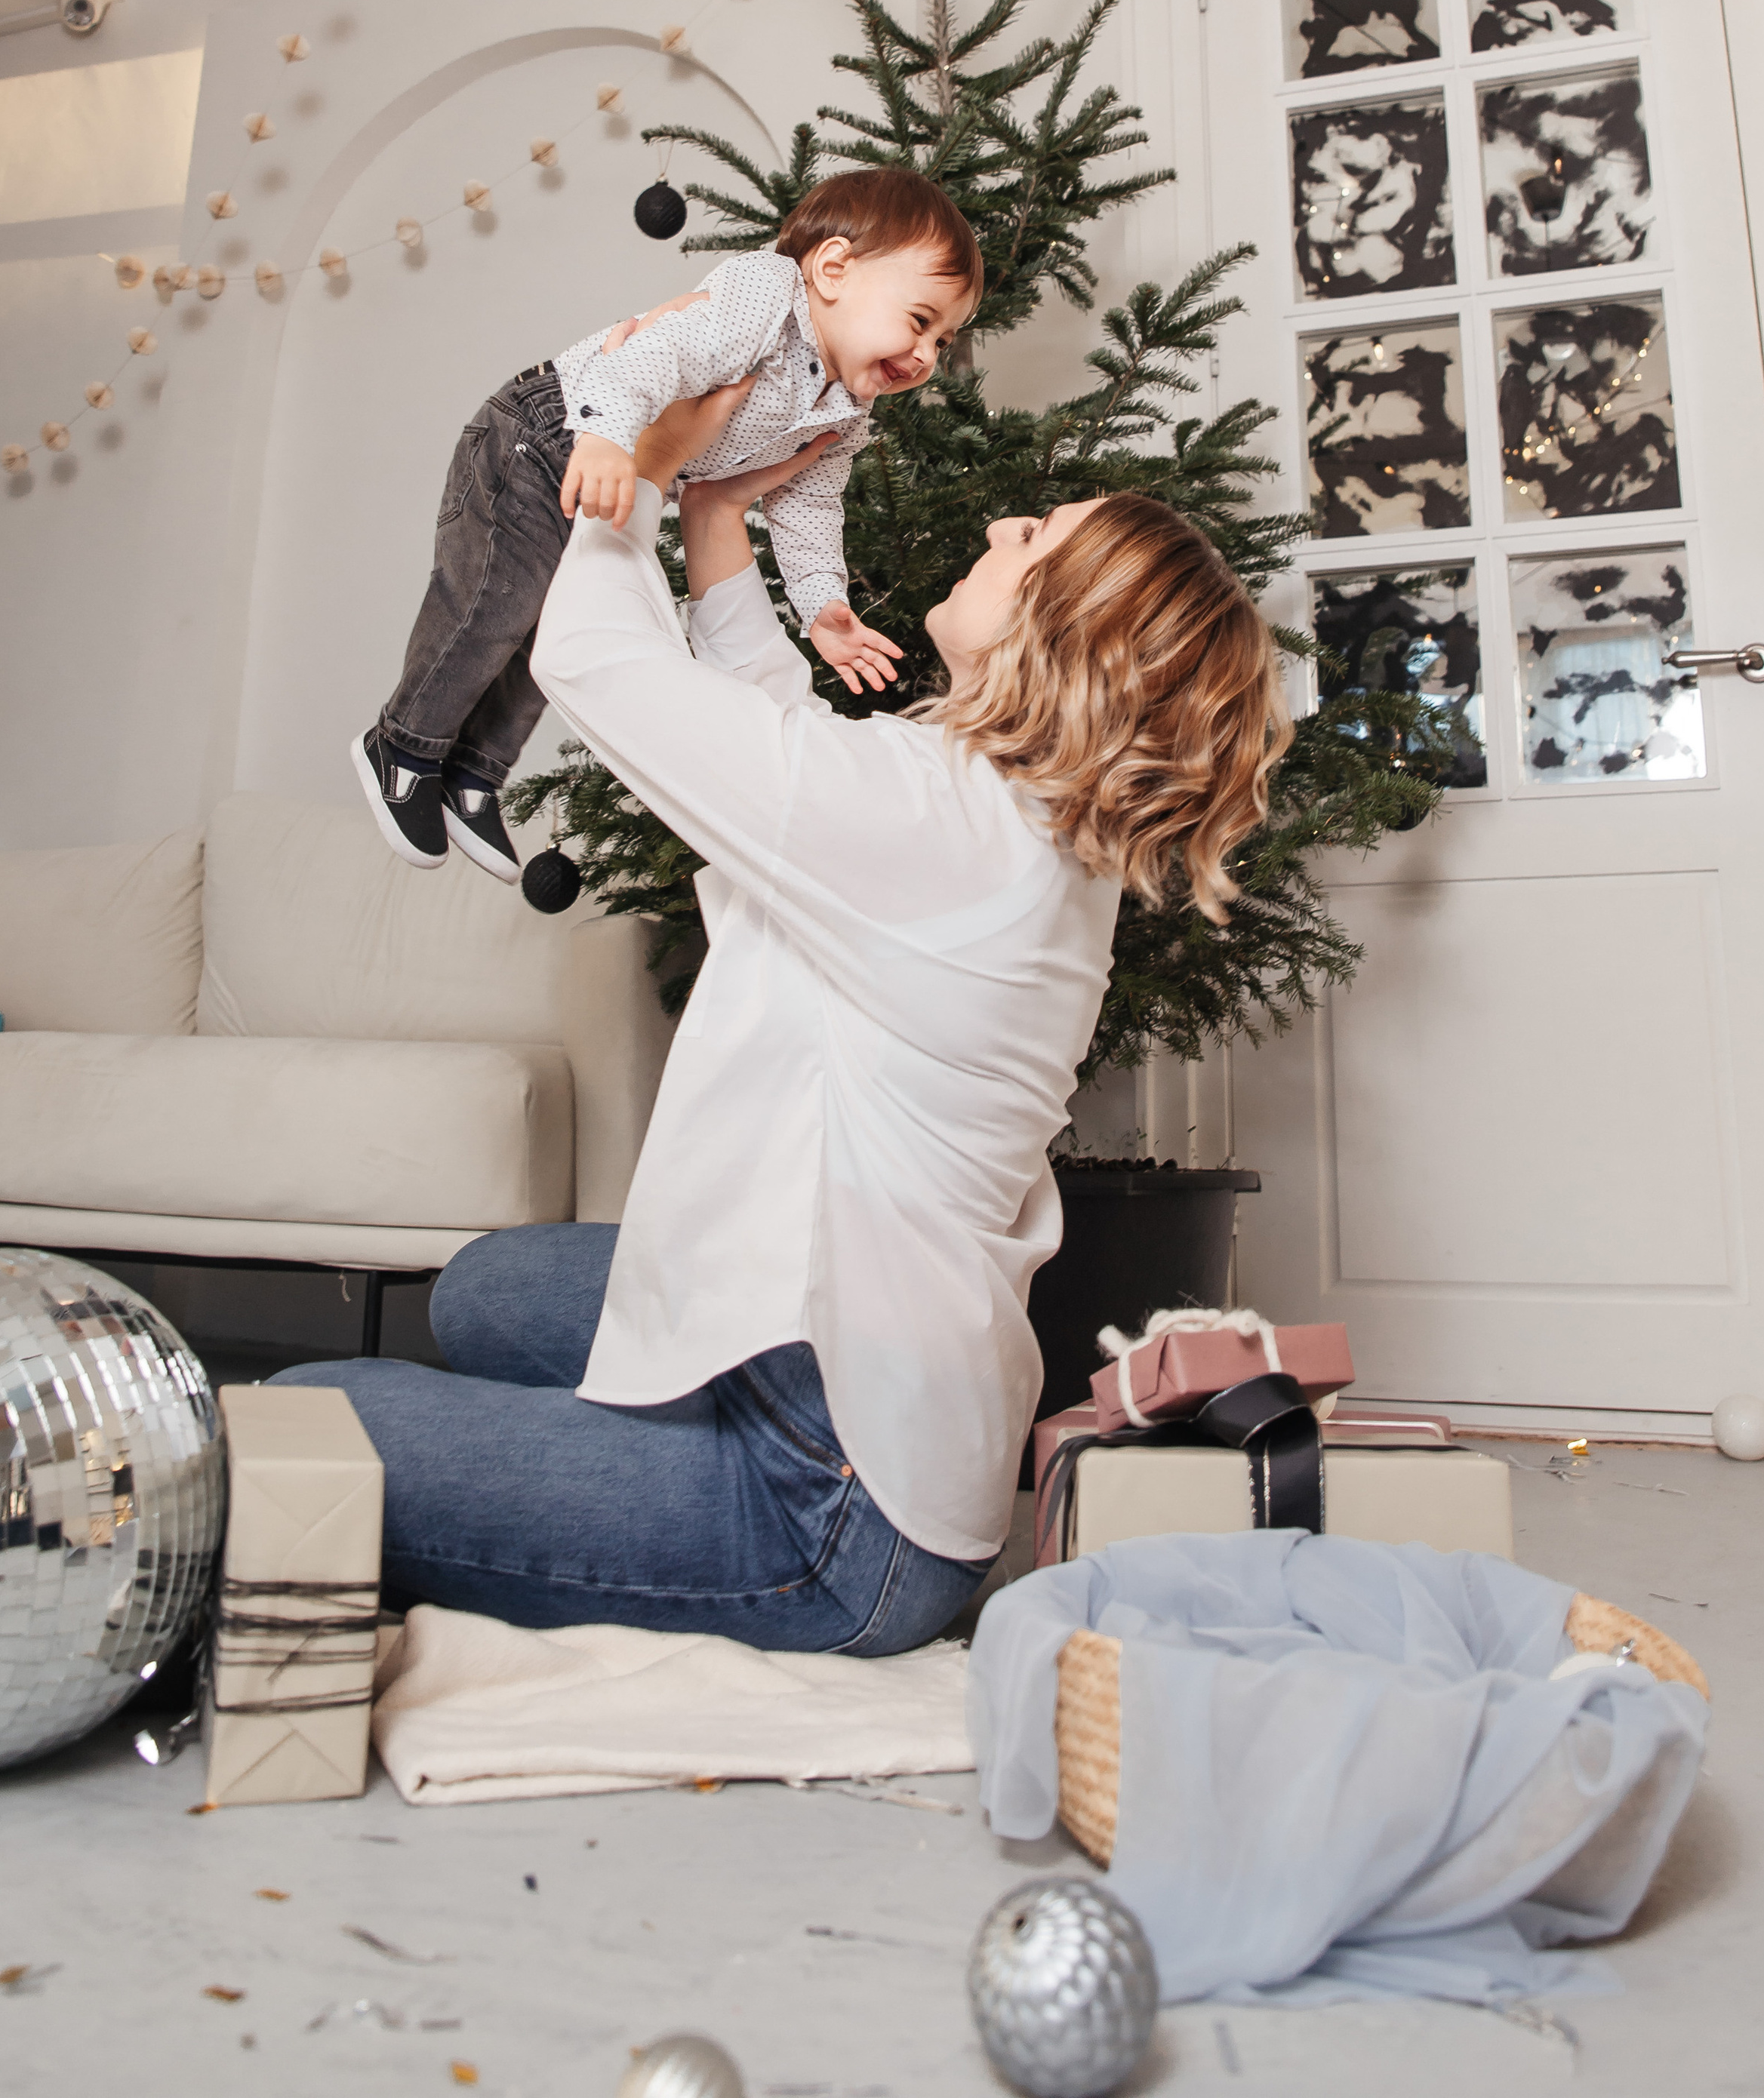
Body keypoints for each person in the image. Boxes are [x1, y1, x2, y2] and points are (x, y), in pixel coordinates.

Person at [276, 371, 1292, 1655]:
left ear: (1070, 627)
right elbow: (783, 740)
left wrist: (628, 468)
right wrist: (713, 522)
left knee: (303, 1417)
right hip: (859, 1385)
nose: (997, 531)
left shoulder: (946, 827)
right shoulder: (997, 818)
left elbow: (596, 662)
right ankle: (631, 1446)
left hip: (833, 1512)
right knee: (492, 1290)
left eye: (1033, 537)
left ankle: (671, 1494)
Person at [351, 166, 980, 881]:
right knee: (494, 609)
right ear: (833, 269)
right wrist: (609, 437)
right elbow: (659, 350)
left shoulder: (848, 409)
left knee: (547, 638)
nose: (928, 355)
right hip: (553, 434)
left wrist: (821, 602)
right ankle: (404, 743)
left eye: (946, 339)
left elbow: (807, 504)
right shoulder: (766, 297)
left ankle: (475, 770)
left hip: (621, 469)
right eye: (921, 321)